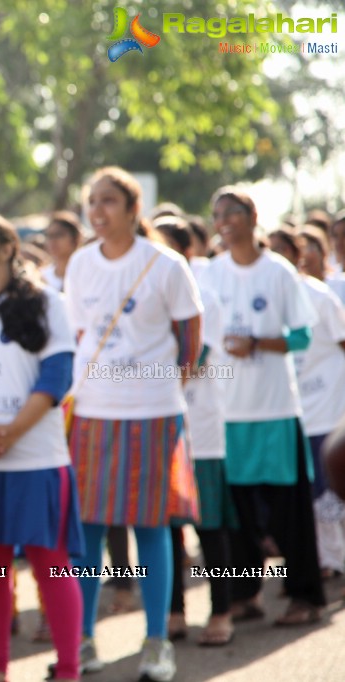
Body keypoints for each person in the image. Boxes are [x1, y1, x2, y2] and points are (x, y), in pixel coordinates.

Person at [64, 166, 203, 682]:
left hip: (152, 413)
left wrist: (158, 388)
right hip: (92, 411)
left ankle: (156, 643)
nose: (97, 212)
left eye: (108, 201)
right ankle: (81, 640)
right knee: (88, 533)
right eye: (91, 202)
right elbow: (81, 332)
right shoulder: (79, 264)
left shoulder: (165, 265)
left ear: (132, 208)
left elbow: (190, 341)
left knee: (151, 528)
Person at [0, 211, 84, 682]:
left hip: (36, 457)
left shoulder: (49, 303)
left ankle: (68, 668)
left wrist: (9, 433)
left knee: (51, 567)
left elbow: (57, 377)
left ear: (8, 247)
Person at [198, 187, 326, 627]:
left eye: (233, 212)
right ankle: (245, 593)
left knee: (289, 511)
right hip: (227, 414)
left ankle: (306, 596)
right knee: (238, 515)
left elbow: (303, 336)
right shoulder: (210, 275)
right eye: (218, 215)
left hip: (274, 410)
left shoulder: (279, 272)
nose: (225, 222)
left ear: (253, 216)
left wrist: (257, 343)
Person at [155, 216, 237, 647]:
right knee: (166, 526)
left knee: (209, 524)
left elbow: (193, 359)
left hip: (198, 427)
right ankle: (173, 611)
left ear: (186, 251)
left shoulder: (204, 294)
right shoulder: (149, 289)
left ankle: (221, 609)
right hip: (161, 427)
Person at [268, 228, 345, 581]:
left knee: (335, 499)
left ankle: (336, 562)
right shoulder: (269, 296)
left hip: (327, 414)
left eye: (284, 249)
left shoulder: (321, 296)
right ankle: (322, 563)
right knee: (309, 500)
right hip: (292, 415)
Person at [40, 210, 82, 292]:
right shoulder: (42, 277)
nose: (53, 241)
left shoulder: (87, 273)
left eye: (59, 235)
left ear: (76, 238)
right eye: (49, 236)